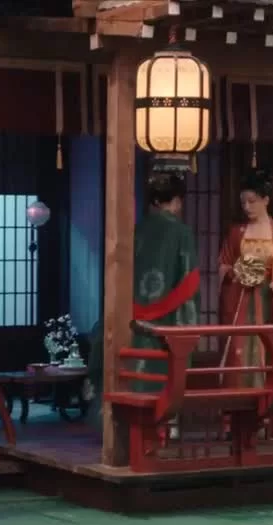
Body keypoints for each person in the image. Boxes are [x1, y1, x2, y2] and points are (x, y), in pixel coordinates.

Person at [87, 170, 200, 429]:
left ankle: (124, 425)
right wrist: (187, 325)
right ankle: (164, 425)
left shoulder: (135, 230)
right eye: (177, 201)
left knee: (132, 369)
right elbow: (189, 282)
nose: (179, 206)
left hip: (132, 318)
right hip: (167, 320)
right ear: (173, 201)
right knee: (163, 371)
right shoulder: (181, 232)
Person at [218, 168, 273, 389]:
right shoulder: (236, 233)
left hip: (270, 301)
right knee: (241, 347)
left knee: (271, 349)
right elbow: (223, 266)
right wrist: (235, 273)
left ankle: (272, 395)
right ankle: (239, 397)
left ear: (266, 200)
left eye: (252, 201)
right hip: (242, 301)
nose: (246, 207)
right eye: (243, 202)